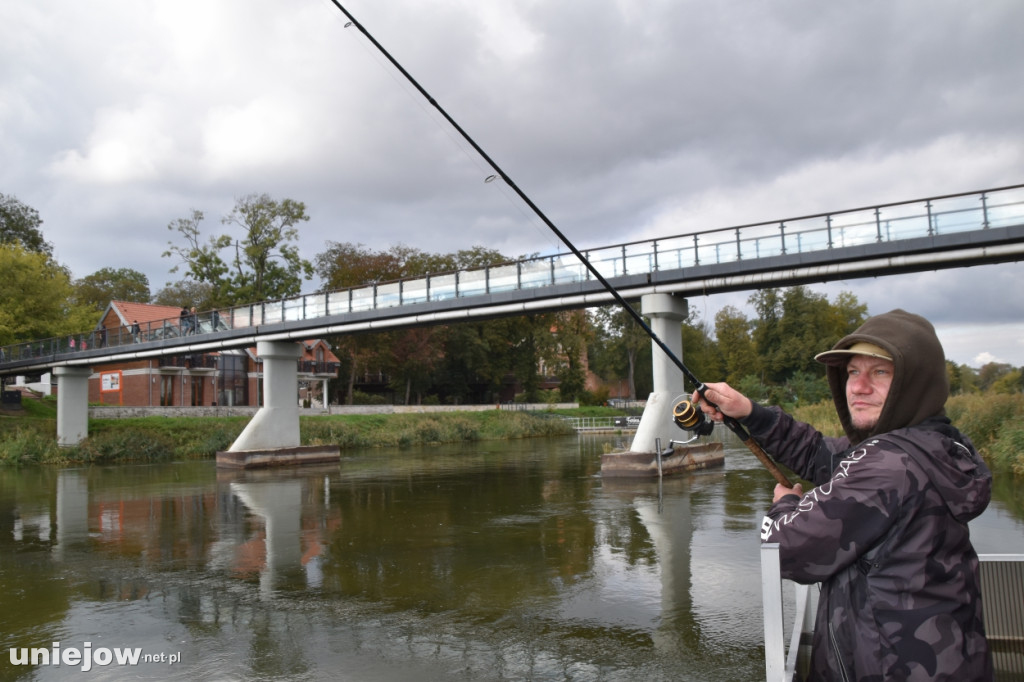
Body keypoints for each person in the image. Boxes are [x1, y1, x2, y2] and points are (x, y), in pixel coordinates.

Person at [695, 309, 992, 681]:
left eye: (880, 372)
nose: (858, 386)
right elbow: (821, 454)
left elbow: (785, 549)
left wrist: (785, 505)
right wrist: (751, 413)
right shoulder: (934, 444)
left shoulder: (888, 465)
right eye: (853, 372)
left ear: (915, 383)